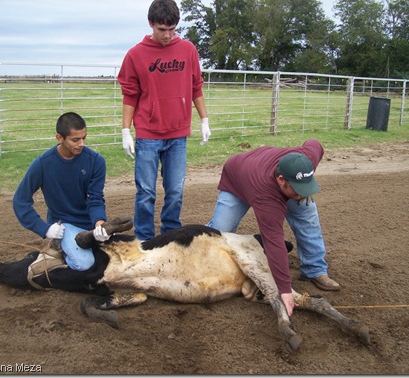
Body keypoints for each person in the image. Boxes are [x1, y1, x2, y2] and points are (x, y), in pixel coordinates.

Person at [206, 139, 339, 317]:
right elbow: (273, 241)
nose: (303, 192)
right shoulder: (266, 197)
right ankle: (196, 240)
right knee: (221, 229)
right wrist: (285, 289)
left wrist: (302, 189)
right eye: (299, 188)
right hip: (237, 177)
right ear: (281, 180)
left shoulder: (307, 158)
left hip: (263, 168)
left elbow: (315, 143)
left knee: (307, 216)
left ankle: (315, 269)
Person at [117, 0, 211, 241]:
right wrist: (126, 130)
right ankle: (145, 238)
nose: (168, 35)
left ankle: (170, 234)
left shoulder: (188, 49)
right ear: (151, 24)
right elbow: (130, 94)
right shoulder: (135, 55)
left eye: (172, 29)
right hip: (148, 135)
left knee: (175, 191)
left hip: (178, 135)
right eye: (162, 30)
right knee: (146, 192)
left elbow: (196, 87)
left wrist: (204, 120)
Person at [13, 112, 110, 272]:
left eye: (84, 138)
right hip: (63, 226)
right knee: (84, 264)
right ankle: (56, 257)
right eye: (75, 139)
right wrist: (44, 229)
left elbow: (95, 198)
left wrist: (99, 223)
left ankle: (65, 252)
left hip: (88, 224)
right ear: (59, 137)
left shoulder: (96, 161)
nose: (82, 144)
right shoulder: (42, 164)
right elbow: (20, 201)